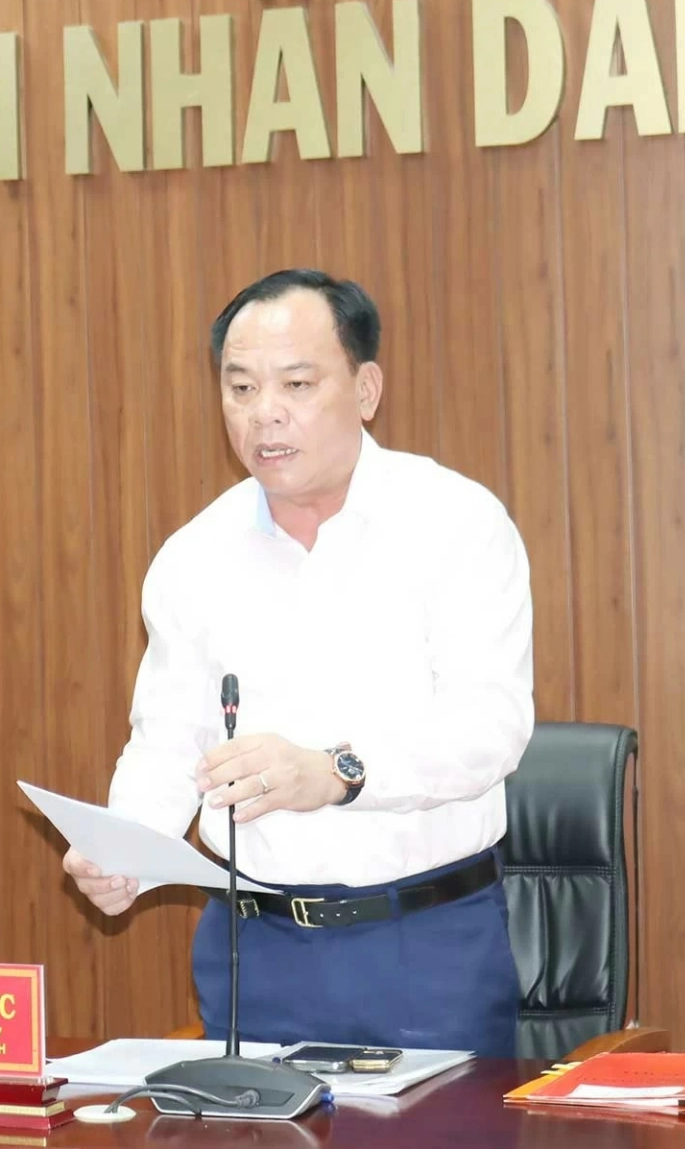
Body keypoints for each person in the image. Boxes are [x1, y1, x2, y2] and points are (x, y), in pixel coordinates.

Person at [63, 269, 533, 1058]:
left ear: (366, 388)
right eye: (239, 386)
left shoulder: (456, 524)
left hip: (422, 942)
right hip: (256, 947)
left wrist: (338, 771)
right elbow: (170, 739)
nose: (263, 412)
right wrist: (127, 849)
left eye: (296, 383)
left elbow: (491, 725)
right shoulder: (194, 557)